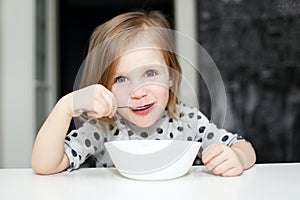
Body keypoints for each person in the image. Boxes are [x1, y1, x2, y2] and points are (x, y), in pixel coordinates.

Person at [31, 10, 256, 176]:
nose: (138, 92)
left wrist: (237, 157)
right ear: (105, 90)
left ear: (172, 77)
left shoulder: (188, 121)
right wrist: (65, 107)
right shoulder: (103, 128)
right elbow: (45, 165)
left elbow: (244, 147)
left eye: (150, 73)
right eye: (121, 79)